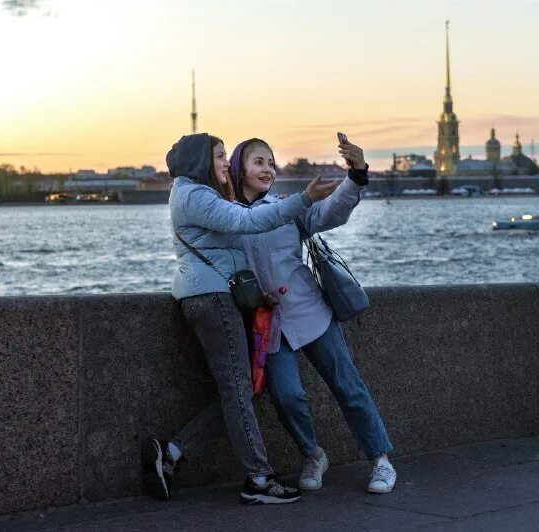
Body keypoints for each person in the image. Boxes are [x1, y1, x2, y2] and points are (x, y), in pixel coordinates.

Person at [142, 133, 338, 505]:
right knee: (237, 389)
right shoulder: (195, 195)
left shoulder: (197, 193)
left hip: (213, 295)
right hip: (212, 298)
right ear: (199, 161)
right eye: (218, 157)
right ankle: (258, 478)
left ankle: (172, 451)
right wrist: (304, 200)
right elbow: (248, 222)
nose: (224, 164)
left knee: (242, 390)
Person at [230, 137, 396, 494]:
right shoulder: (227, 217)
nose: (267, 169)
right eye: (258, 161)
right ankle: (312, 453)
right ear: (237, 169)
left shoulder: (287, 206)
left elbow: (329, 213)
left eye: (271, 163)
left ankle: (381, 459)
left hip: (310, 313)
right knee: (287, 397)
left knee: (348, 387)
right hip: (268, 326)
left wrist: (357, 176)